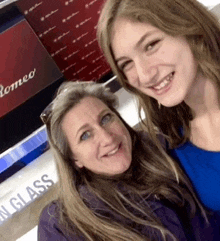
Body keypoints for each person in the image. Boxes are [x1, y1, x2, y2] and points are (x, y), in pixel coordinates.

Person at [97, 0, 220, 215]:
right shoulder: (171, 147)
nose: (144, 74)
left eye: (151, 45)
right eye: (127, 63)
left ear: (187, 25)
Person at [38, 81, 218, 241]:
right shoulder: (61, 224)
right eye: (85, 135)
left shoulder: (169, 151)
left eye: (106, 118)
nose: (107, 138)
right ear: (74, 158)